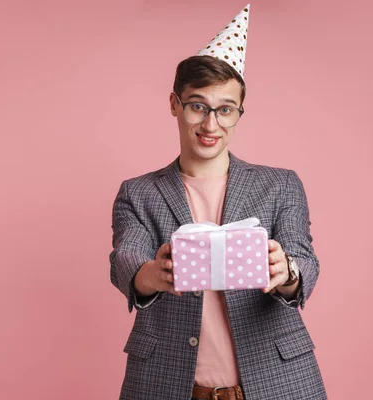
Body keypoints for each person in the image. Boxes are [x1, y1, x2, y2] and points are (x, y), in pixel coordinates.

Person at [109, 5, 326, 399]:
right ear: (175, 104)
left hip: (277, 382)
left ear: (239, 113)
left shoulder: (280, 184)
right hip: (167, 384)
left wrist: (286, 270)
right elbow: (125, 258)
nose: (211, 125)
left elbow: (305, 261)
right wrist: (152, 274)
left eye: (225, 110)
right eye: (198, 106)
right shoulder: (138, 192)